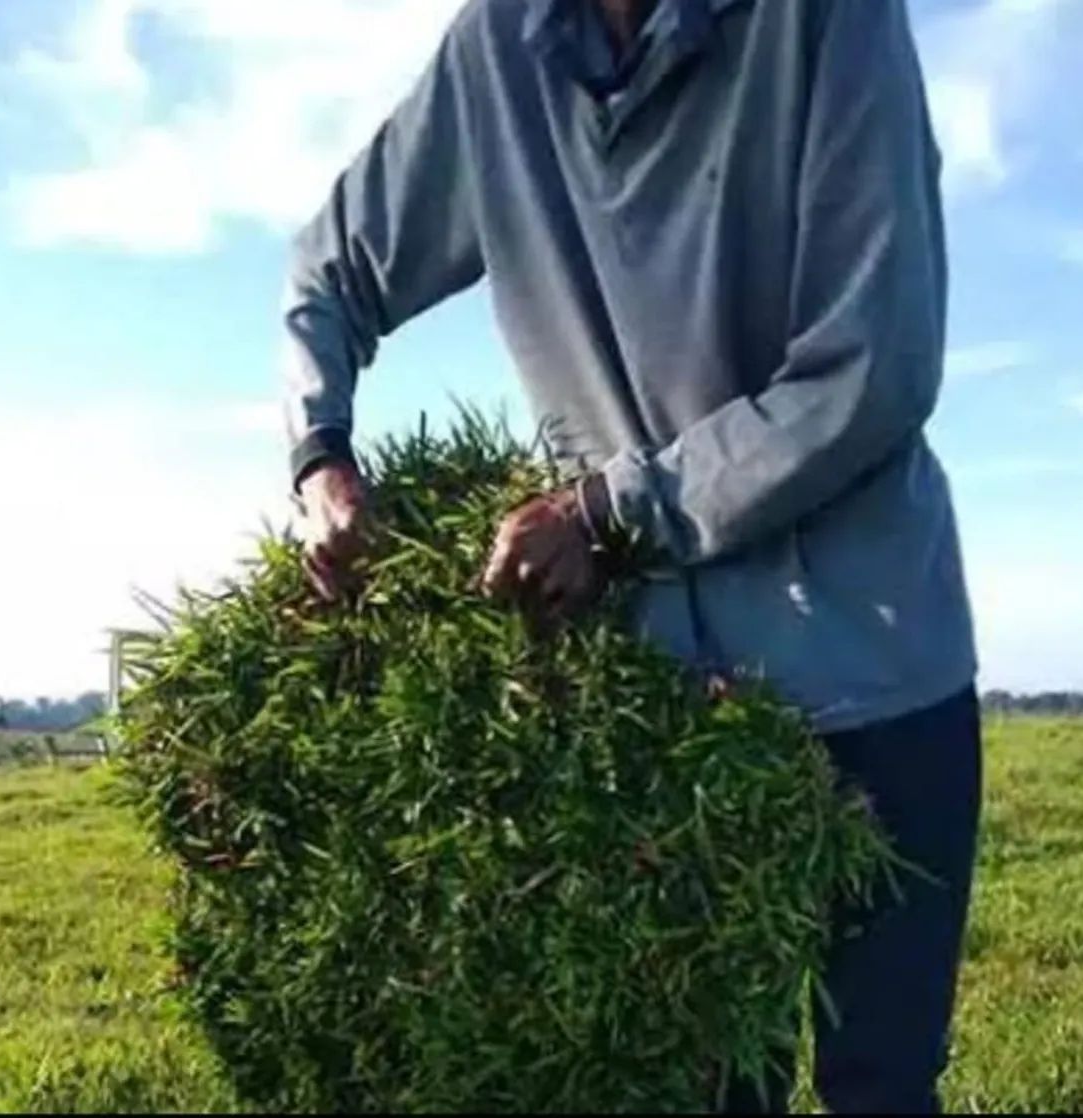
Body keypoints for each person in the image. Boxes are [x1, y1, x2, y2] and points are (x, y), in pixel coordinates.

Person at [282, 0, 982, 1111]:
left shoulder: (825, 21)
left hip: (870, 662)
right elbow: (328, 273)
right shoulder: (497, 51)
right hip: (656, 704)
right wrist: (319, 455)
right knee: (701, 1084)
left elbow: (872, 365)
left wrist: (610, 515)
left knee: (881, 1081)